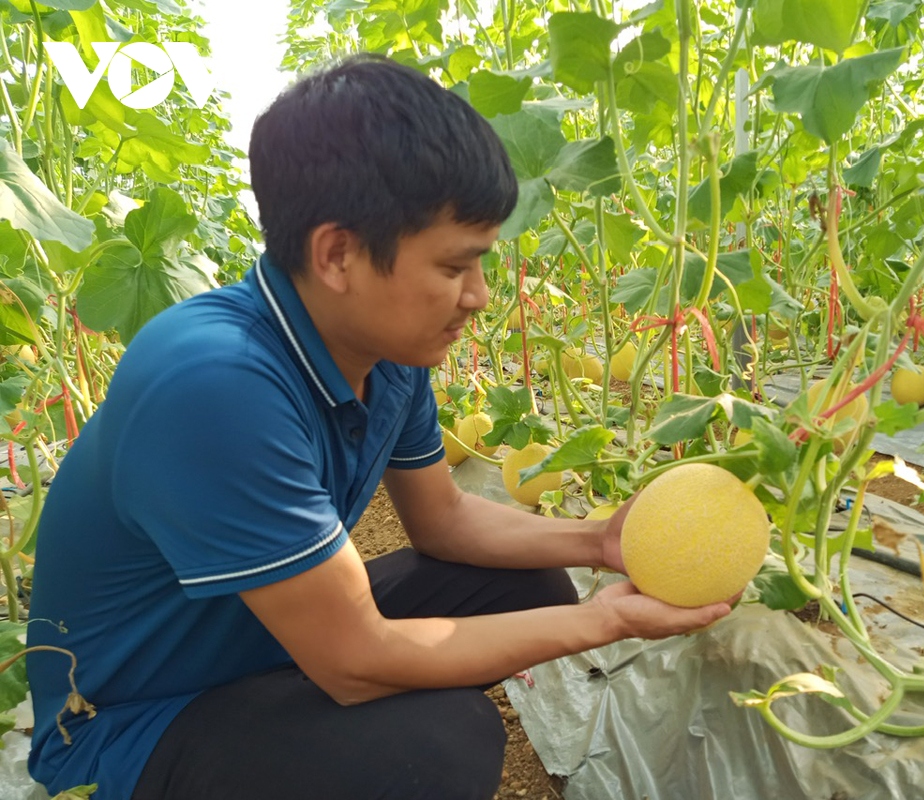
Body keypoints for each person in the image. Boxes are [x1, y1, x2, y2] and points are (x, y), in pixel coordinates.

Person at [25, 54, 732, 799]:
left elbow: (445, 519)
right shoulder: (212, 380)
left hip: (266, 647)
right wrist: (608, 623)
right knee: (436, 748)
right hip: (132, 726)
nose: (481, 297)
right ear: (338, 255)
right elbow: (355, 661)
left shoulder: (387, 356)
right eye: (457, 267)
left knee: (530, 585)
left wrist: (600, 542)